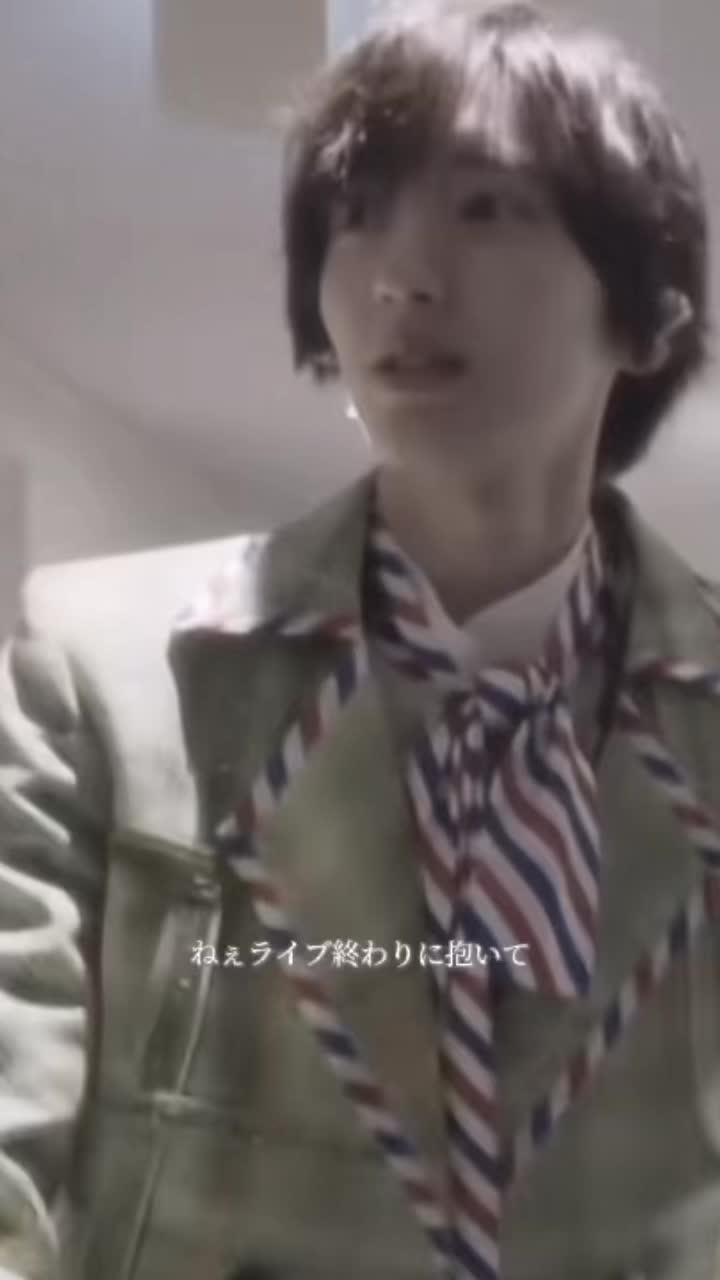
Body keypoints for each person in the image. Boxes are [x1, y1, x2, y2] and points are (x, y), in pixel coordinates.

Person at [1, 2, 719, 1277]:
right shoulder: (110, 665)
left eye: (488, 208)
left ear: (645, 311)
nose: (400, 274)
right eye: (356, 215)